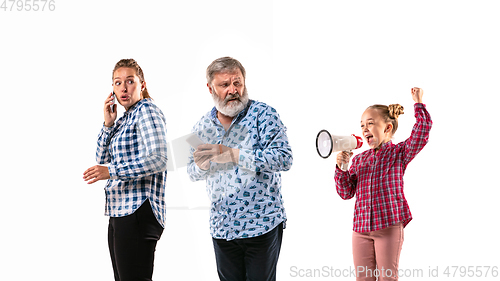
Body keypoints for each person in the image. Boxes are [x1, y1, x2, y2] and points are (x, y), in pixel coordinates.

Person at [187, 56, 293, 281]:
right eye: (224, 85)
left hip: (261, 225)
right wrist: (201, 166)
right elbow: (192, 172)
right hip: (222, 228)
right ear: (210, 88)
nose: (233, 90)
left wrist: (233, 155)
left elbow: (284, 159)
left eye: (237, 83)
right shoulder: (202, 126)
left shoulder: (264, 115)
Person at [83, 58, 168, 281]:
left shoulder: (146, 111)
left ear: (142, 84)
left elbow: (159, 159)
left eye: (130, 81)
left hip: (138, 209)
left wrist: (112, 171)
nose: (123, 87)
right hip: (120, 210)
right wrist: (108, 124)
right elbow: (101, 161)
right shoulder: (124, 120)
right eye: (117, 83)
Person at [335, 87, 432, 281]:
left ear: (387, 128)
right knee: (363, 278)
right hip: (360, 229)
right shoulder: (359, 160)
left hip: (388, 227)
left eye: (370, 124)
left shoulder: (399, 153)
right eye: (362, 125)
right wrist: (341, 169)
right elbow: (346, 193)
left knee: (387, 277)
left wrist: (418, 104)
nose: (364, 129)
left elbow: (421, 133)